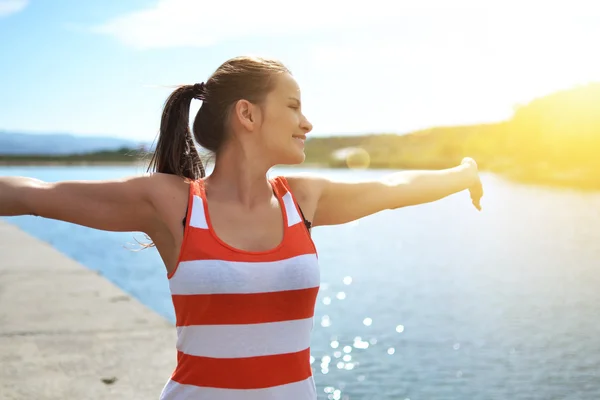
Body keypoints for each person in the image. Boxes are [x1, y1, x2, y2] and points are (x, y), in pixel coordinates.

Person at [0, 55, 483, 399]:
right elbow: (34, 196)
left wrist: (463, 173)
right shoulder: (174, 203)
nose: (308, 122)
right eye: (293, 106)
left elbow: (397, 188)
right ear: (247, 114)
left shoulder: (302, 199)